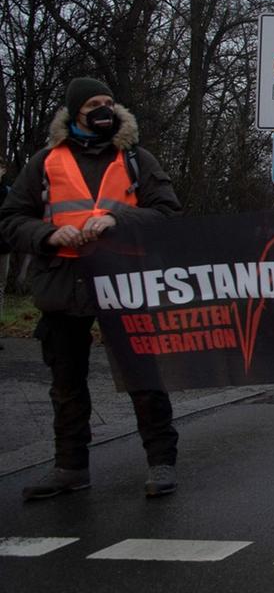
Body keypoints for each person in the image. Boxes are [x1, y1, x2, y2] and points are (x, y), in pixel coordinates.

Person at [0, 77, 182, 500]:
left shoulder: (136, 159)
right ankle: (70, 467)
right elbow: (11, 218)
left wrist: (118, 218)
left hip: (124, 281)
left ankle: (160, 461)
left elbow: (168, 214)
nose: (104, 110)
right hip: (63, 283)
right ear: (74, 113)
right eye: (94, 105)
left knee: (143, 374)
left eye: (109, 102)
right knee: (66, 382)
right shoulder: (45, 162)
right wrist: (48, 235)